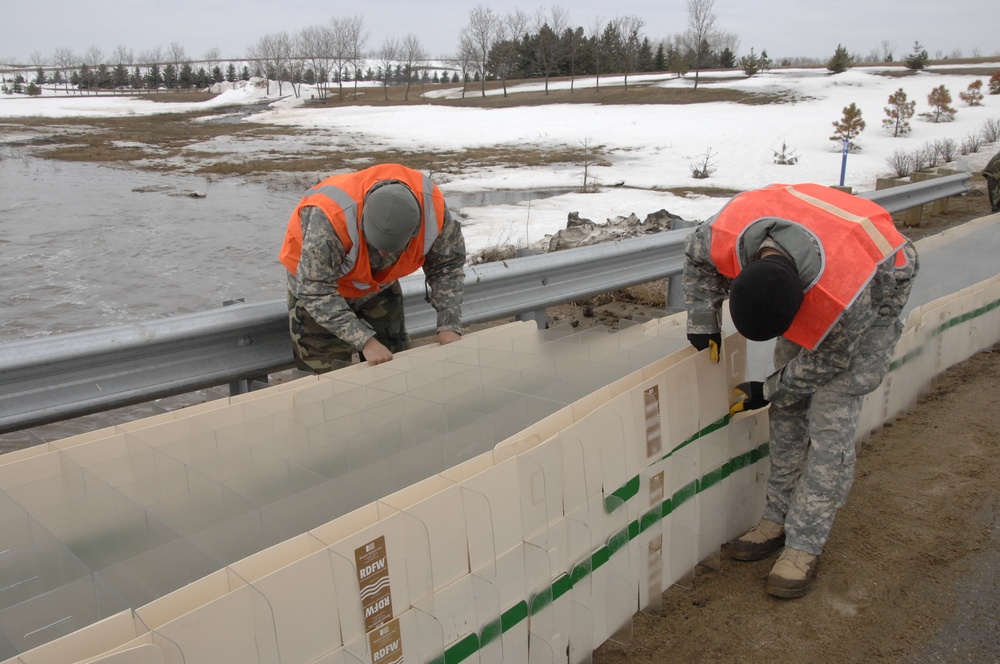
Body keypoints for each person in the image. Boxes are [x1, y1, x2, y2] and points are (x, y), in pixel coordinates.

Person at [683, 183, 919, 598]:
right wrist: (703, 319)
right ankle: (776, 518)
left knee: (830, 415)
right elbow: (696, 260)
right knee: (788, 405)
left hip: (880, 279)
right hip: (817, 257)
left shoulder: (846, 296)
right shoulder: (725, 234)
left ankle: (804, 544)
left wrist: (767, 389)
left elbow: (830, 360)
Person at [279, 164, 466, 372]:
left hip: (378, 286)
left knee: (395, 368)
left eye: (393, 249)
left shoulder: (433, 209)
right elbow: (314, 288)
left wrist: (449, 324)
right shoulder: (328, 217)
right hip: (318, 291)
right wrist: (365, 340)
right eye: (375, 246)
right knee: (323, 379)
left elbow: (447, 266)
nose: (384, 254)